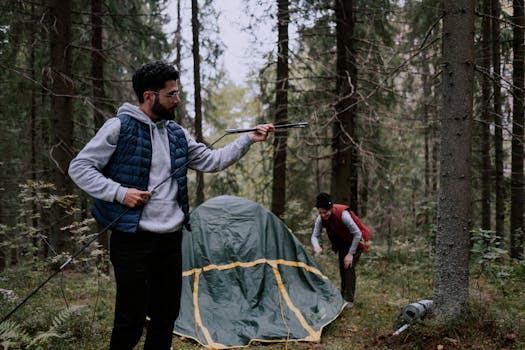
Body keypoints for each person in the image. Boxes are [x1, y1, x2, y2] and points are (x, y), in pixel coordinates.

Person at [68, 61, 274, 350]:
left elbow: (211, 161)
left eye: (178, 93)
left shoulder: (177, 133)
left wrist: (248, 140)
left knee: (165, 319)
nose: (177, 100)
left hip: (170, 241)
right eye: (171, 94)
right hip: (131, 240)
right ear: (149, 96)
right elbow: (80, 167)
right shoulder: (118, 127)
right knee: (131, 321)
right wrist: (120, 192)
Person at [311, 192, 362, 309]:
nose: (323, 215)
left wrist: (350, 254)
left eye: (325, 212)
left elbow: (357, 234)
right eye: (320, 212)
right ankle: (342, 296)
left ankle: (349, 299)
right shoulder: (320, 218)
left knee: (348, 267)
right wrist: (316, 246)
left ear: (331, 208)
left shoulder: (343, 215)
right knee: (342, 267)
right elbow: (314, 236)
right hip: (343, 242)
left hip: (357, 241)